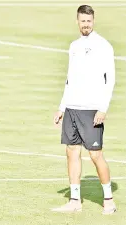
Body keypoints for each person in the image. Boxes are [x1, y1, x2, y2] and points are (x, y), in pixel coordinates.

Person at [52, 5, 116, 214]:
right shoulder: (74, 46)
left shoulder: (103, 46)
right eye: (82, 21)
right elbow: (70, 79)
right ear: (77, 21)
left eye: (88, 21)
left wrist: (103, 108)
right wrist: (62, 107)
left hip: (91, 110)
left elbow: (110, 79)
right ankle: (75, 201)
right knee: (71, 152)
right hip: (72, 108)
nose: (85, 25)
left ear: (93, 21)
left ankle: (108, 200)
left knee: (96, 154)